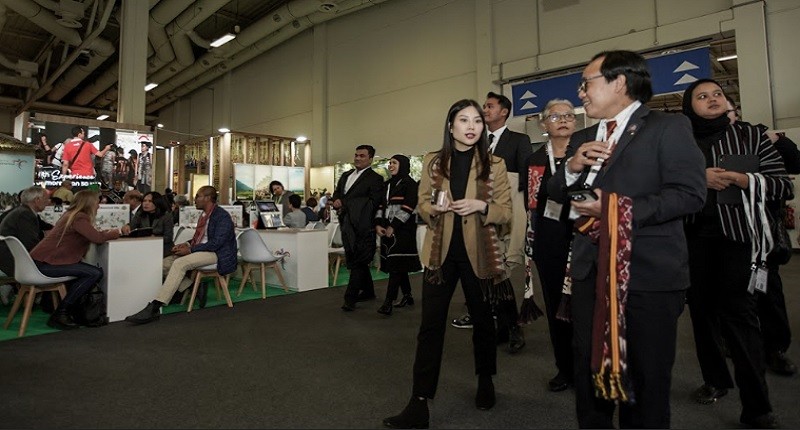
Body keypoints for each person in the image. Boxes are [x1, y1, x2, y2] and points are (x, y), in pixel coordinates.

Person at [546, 50, 706, 429]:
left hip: (647, 276)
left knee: (647, 381)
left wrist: (616, 208)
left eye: (587, 82)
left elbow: (690, 194)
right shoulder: (582, 138)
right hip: (589, 274)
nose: (581, 93)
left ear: (620, 82)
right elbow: (553, 197)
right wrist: (571, 168)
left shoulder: (668, 128)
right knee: (589, 377)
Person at [383, 99, 512, 428]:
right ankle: (419, 401)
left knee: (483, 324)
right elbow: (423, 203)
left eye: (478, 121)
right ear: (451, 125)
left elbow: (505, 214)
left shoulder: (493, 164)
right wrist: (433, 211)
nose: (472, 126)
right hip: (440, 256)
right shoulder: (433, 161)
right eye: (464, 120)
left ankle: (486, 380)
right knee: (430, 328)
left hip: (479, 255)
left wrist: (481, 206)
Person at [681, 79, 791, 429]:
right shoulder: (680, 143)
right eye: (702, 96)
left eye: (717, 94)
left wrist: (745, 180)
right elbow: (661, 184)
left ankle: (757, 405)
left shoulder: (751, 135)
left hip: (740, 241)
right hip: (691, 241)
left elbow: (782, 184)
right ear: (689, 106)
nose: (712, 99)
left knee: (740, 319)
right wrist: (701, 177)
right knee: (701, 316)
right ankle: (716, 380)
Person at [451, 92, 529, 354]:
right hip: (477, 215)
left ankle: (512, 326)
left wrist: (524, 219)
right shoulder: (475, 142)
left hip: (508, 212)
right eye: (484, 106)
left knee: (501, 269)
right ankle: (501, 324)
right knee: (487, 270)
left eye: (489, 106)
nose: (485, 110)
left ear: (504, 111)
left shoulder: (519, 140)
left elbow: (526, 184)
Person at [726, 95, 798, 377]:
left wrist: (779, 140)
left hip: (760, 232)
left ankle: (776, 349)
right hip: (723, 233)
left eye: (727, 106)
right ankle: (735, 344)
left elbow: (794, 164)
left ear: (736, 112)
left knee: (768, 293)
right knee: (731, 295)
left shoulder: (756, 136)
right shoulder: (701, 140)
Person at [522, 98, 578, 392]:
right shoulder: (534, 160)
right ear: (544, 125)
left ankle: (593, 369)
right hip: (549, 243)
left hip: (586, 240)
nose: (563, 120)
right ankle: (565, 369)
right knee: (558, 308)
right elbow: (530, 206)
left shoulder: (587, 151)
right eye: (555, 116)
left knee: (587, 309)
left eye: (569, 115)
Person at [125, 186, 238, 324]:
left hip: (218, 254)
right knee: (164, 264)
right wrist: (187, 245)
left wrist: (190, 250)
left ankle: (155, 307)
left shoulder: (222, 216)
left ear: (208, 198)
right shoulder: (204, 216)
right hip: (203, 250)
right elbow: (201, 239)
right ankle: (192, 286)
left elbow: (217, 243)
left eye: (198, 196)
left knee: (180, 263)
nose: (195, 199)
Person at [29, 190, 123, 329]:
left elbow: (93, 234)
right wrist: (116, 233)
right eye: (97, 203)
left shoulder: (70, 215)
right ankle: (61, 312)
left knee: (88, 272)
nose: (98, 206)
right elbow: (97, 238)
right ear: (90, 203)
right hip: (45, 265)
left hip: (39, 263)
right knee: (94, 273)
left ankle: (65, 311)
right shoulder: (79, 218)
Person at [332, 144, 384, 311]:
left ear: (370, 159)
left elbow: (374, 203)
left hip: (364, 226)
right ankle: (368, 291)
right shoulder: (346, 175)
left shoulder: (375, 179)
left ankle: (350, 298)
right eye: (356, 155)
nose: (358, 158)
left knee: (359, 261)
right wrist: (337, 201)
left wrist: (346, 203)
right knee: (355, 259)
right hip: (346, 225)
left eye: (362, 156)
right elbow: (337, 193)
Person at [374, 154, 422, 316]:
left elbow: (408, 207)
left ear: (403, 165)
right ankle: (407, 296)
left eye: (394, 163)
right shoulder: (387, 185)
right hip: (387, 230)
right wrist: (379, 224)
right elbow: (381, 206)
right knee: (398, 265)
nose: (391, 166)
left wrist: (394, 226)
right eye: (390, 163)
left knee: (396, 265)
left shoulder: (410, 184)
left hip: (404, 231)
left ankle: (388, 302)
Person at [0, 186, 51, 281]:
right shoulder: (25, 215)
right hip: (15, 263)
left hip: (10, 260)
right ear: (37, 200)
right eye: (46, 199)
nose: (48, 202)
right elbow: (31, 244)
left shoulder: (21, 211)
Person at [128, 191, 174, 257]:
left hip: (163, 249)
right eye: (144, 201)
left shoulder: (166, 216)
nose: (146, 204)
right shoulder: (140, 214)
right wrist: (127, 226)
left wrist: (155, 238)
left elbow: (168, 237)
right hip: (144, 246)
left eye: (150, 201)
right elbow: (132, 226)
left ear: (157, 203)